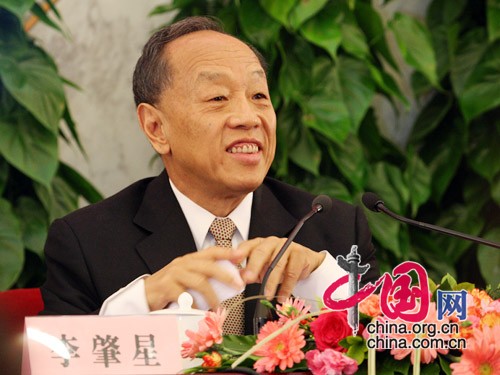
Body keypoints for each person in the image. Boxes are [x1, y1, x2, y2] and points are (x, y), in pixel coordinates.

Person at [40, 16, 378, 334]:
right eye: (218, 98)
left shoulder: (332, 230)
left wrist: (324, 281)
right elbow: (56, 362)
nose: (248, 117)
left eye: (259, 96)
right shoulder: (87, 243)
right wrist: (142, 301)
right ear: (156, 127)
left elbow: (386, 349)